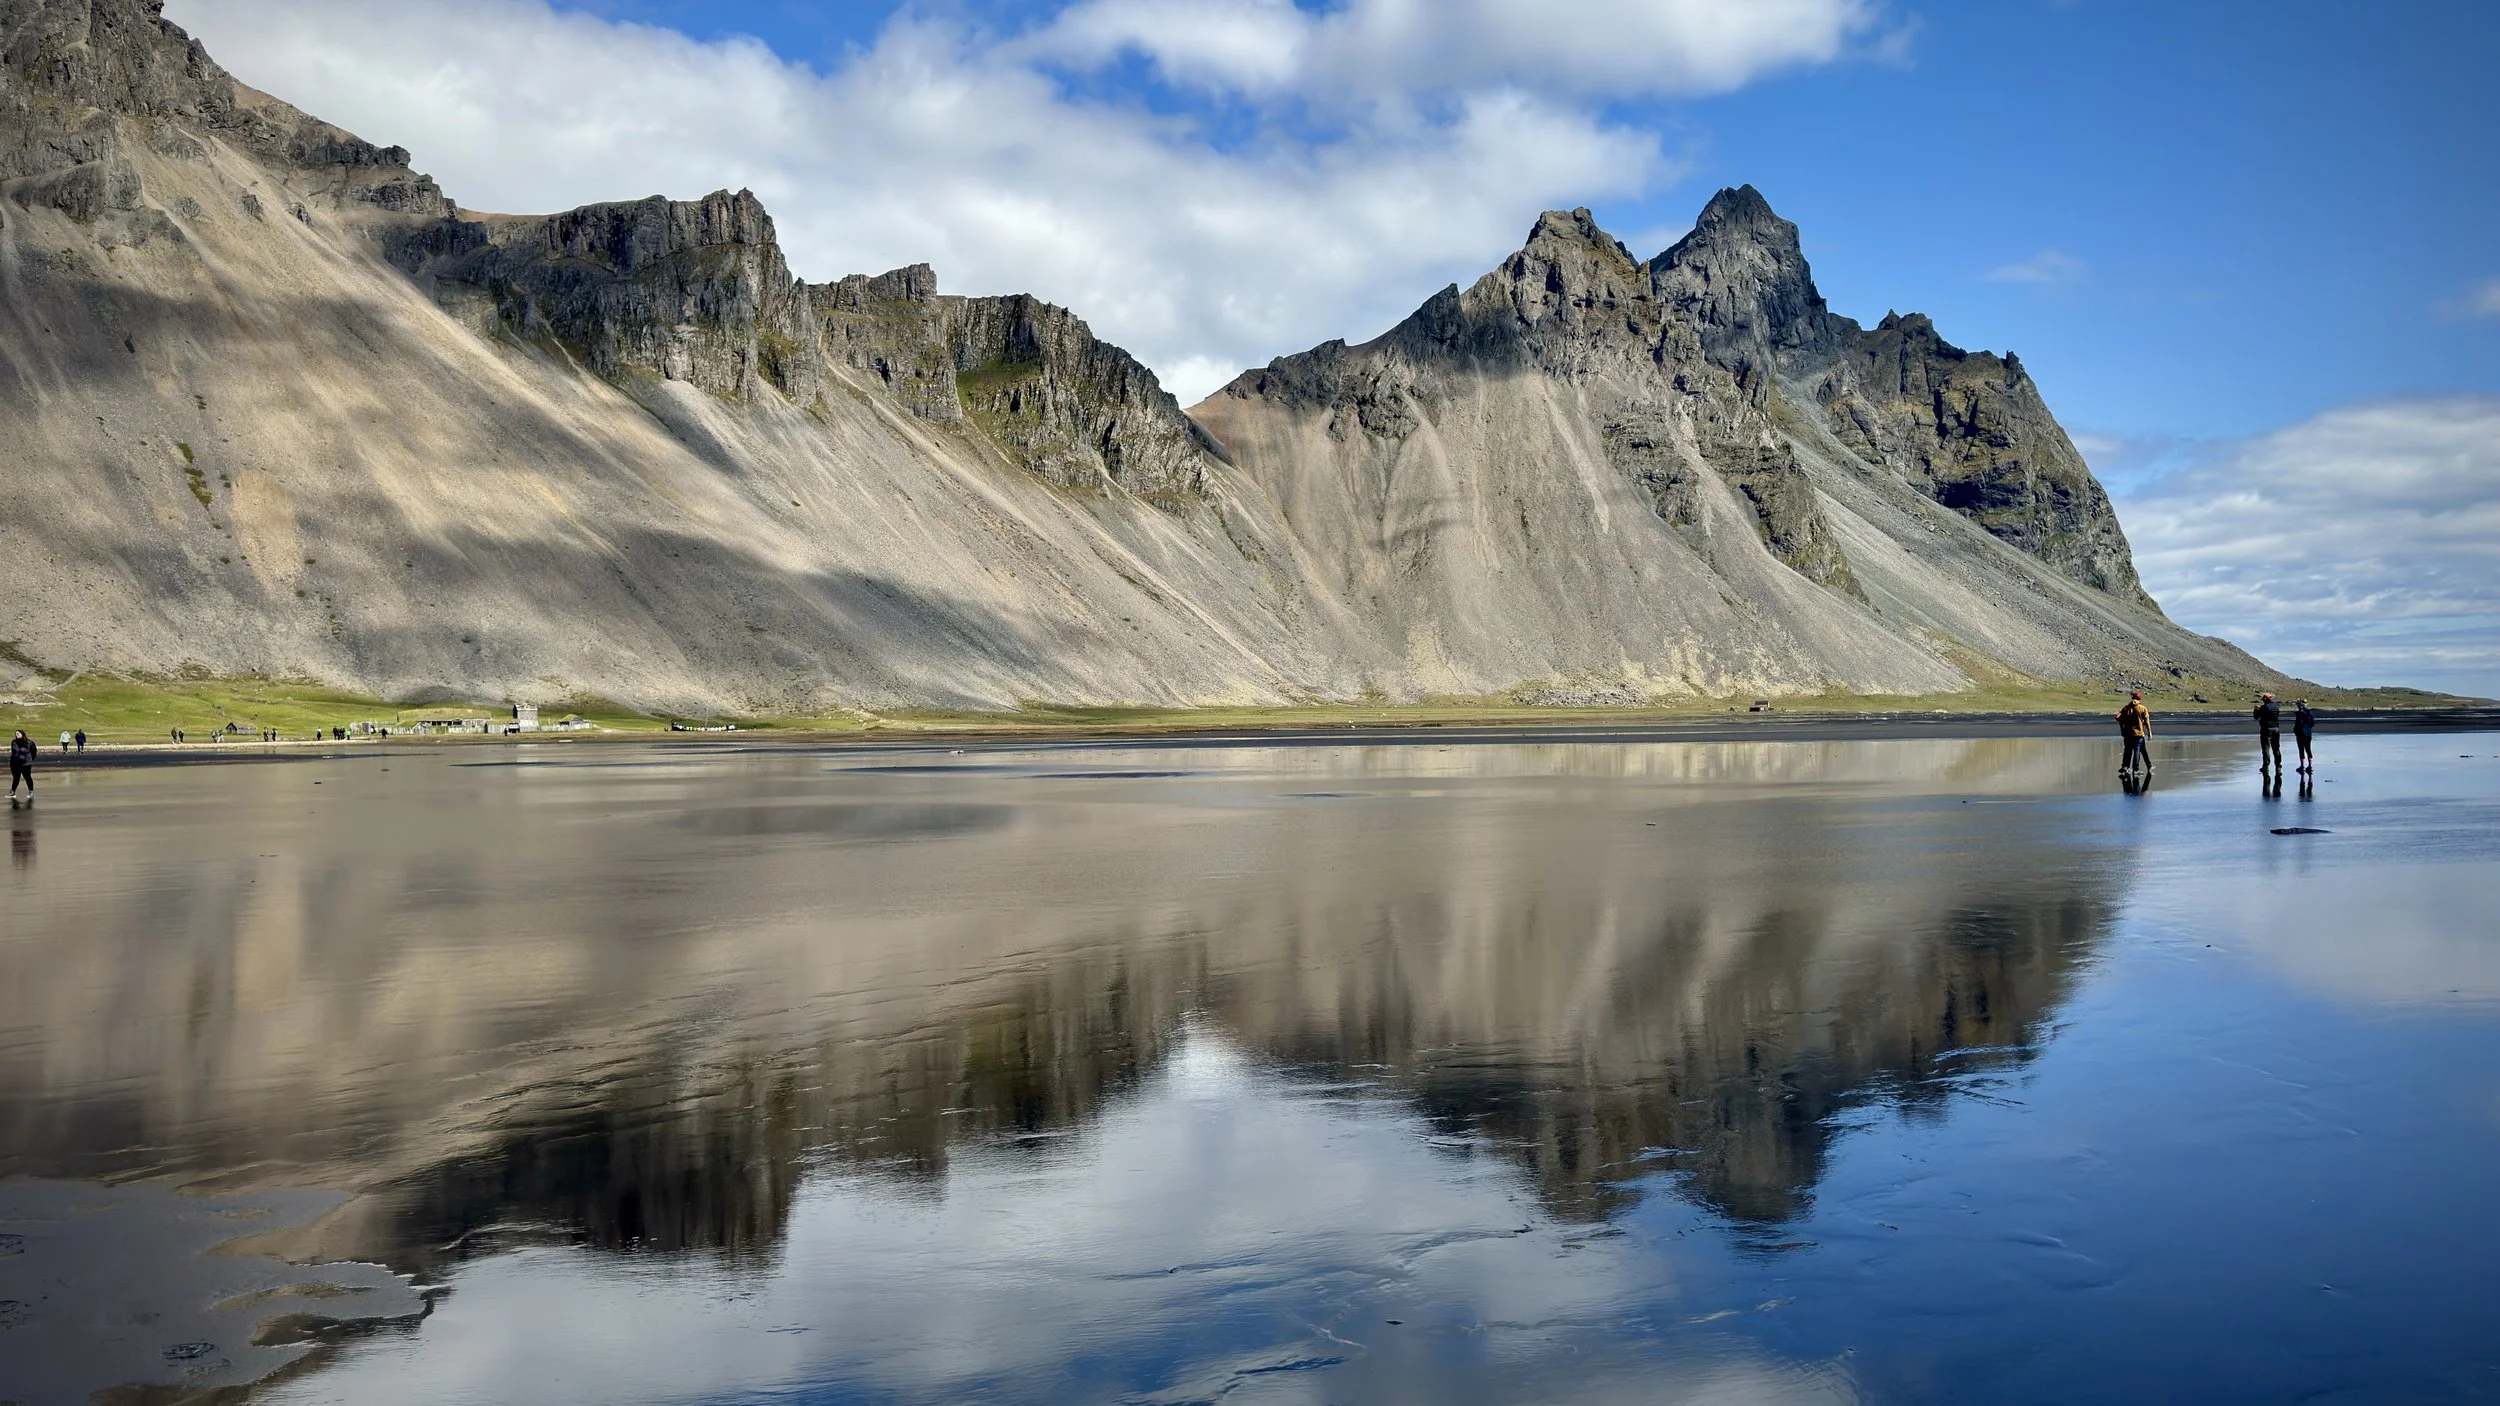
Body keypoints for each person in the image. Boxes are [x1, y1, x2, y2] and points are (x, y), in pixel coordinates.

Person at [2116, 691, 2152, 777]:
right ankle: (2136, 769)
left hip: (2127, 734)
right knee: (2137, 751)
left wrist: (2122, 730)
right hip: (2138, 734)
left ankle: (2125, 766)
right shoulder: (2142, 708)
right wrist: (2149, 733)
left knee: (2127, 751)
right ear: (2140, 698)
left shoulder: (2126, 708)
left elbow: (2120, 719)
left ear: (2132, 698)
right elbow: (2147, 722)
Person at [2253, 692, 2283, 773]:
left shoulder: (2264, 707)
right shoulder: (2276, 707)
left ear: (2265, 700)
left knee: (2266, 748)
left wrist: (2256, 709)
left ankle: (2266, 766)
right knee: (2276, 748)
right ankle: (2278, 766)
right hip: (2276, 729)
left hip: (2266, 729)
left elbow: (2256, 717)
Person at [9, 730, 34, 799]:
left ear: (22, 734)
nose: (17, 734)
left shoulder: (29, 742)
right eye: (16, 733)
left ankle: (30, 791)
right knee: (16, 778)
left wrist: (29, 759)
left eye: (18, 733)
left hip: (26, 763)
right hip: (15, 763)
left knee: (27, 777)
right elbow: (13, 751)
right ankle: (13, 792)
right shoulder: (14, 742)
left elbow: (34, 751)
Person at [2294, 699, 2317, 771]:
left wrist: (2296, 730)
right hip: (2308, 733)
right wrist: (2308, 728)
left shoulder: (2300, 713)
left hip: (2300, 733)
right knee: (2308, 749)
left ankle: (2302, 766)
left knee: (2301, 749)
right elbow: (2313, 723)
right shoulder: (2309, 712)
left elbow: (2298, 724)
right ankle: (2310, 766)